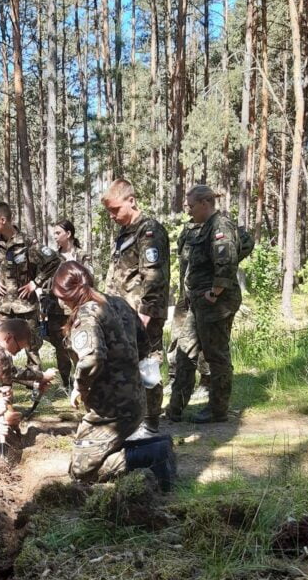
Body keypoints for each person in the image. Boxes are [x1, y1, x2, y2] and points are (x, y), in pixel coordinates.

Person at [52, 261, 145, 483]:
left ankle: (149, 457)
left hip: (111, 411)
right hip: (135, 399)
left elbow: (92, 359)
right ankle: (136, 448)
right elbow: (144, 342)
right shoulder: (118, 303)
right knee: (84, 460)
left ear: (69, 294)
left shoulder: (86, 314)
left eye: (59, 295)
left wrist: (79, 387)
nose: (58, 301)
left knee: (80, 471)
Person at [167, 185, 241, 423]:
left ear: (204, 204)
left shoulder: (221, 226)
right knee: (184, 351)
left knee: (216, 355)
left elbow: (228, 260)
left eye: (191, 206)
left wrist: (215, 291)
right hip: (198, 302)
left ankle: (217, 409)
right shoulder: (200, 229)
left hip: (215, 303)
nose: (188, 211)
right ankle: (175, 408)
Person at [102, 179, 170, 436]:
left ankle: (151, 421)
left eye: (116, 209)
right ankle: (130, 416)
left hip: (143, 314)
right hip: (122, 314)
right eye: (109, 211)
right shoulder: (125, 233)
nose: (112, 216)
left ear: (131, 200)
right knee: (125, 365)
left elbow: (153, 276)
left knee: (148, 364)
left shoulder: (149, 230)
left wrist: (145, 314)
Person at [0, 201, 59, 372]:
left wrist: (36, 282)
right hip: (3, 306)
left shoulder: (27, 243)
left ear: (3, 220)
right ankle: (4, 381)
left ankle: (36, 381)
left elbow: (53, 260)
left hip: (25, 305)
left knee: (32, 346)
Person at [42, 219, 93, 388]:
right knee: (61, 348)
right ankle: (66, 382)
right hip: (56, 310)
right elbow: (45, 282)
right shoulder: (53, 258)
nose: (55, 237)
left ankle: (82, 381)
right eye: (54, 233)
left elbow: (90, 281)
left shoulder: (83, 256)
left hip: (77, 308)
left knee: (79, 344)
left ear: (68, 234)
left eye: (58, 233)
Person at [168, 222, 210, 398]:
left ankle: (206, 380)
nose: (188, 207)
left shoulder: (216, 226)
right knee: (177, 336)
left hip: (204, 295)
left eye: (192, 203)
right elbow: (183, 258)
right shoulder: (187, 229)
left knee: (202, 338)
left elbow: (243, 246)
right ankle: (174, 378)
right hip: (185, 294)